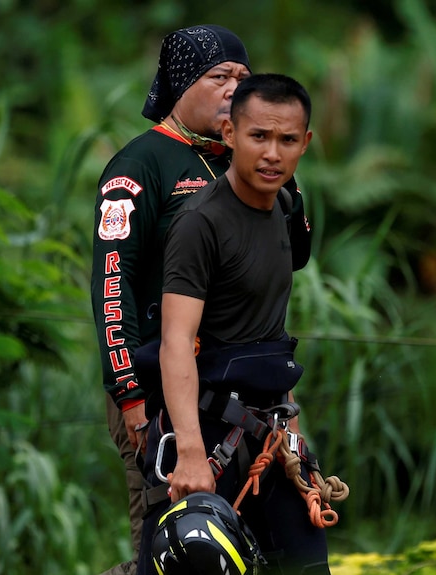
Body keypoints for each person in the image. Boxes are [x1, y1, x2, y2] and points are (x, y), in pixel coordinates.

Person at [90, 25, 312, 575]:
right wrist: (130, 397)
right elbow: (112, 286)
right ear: (181, 85)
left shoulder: (243, 162)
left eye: (242, 77)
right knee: (176, 547)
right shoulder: (140, 165)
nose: (235, 89)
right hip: (162, 392)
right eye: (219, 78)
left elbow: (294, 254)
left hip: (247, 393)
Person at [138, 74, 330, 575]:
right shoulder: (201, 223)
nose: (273, 154)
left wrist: (291, 429)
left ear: (305, 143)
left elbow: (268, 333)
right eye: (258, 136)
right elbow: (176, 342)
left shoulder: (286, 208)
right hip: (207, 434)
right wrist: (190, 452)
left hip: (272, 434)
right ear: (229, 134)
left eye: (287, 140)